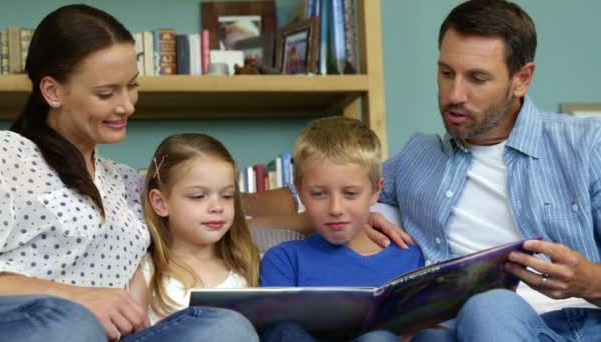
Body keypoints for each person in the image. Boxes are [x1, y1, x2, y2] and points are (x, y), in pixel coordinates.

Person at [244, 1, 600, 340]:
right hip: (477, 326)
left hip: (586, 323)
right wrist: (215, 202)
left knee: (489, 308)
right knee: (489, 308)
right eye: (446, 73)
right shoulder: (419, 157)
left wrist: (590, 281)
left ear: (521, 79)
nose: (454, 94)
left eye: (476, 78)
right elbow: (319, 189)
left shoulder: (585, 145)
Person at [0, 4, 257, 342]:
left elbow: (212, 200)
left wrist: (314, 206)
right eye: (106, 93)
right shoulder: (4, 157)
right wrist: (76, 298)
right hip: (46, 330)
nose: (127, 105)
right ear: (52, 91)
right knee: (74, 325)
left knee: (225, 327)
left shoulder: (127, 182)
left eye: (132, 86)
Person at [259, 117, 424, 342]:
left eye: (350, 194)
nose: (335, 209)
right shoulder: (284, 260)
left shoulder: (409, 257)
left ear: (376, 190)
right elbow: (279, 334)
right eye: (319, 194)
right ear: (300, 191)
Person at [127, 133, 260, 324]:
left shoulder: (246, 265)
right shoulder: (146, 273)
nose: (217, 207)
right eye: (198, 196)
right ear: (160, 203)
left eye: (227, 196)